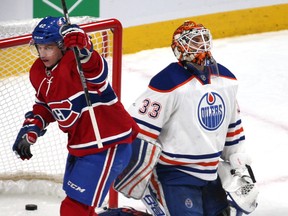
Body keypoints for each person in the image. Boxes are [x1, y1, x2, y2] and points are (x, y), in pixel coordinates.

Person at [125, 20, 258, 215]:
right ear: (179, 48)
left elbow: (232, 126)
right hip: (175, 174)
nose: (201, 46)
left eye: (203, 40)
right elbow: (141, 130)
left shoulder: (227, 80)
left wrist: (236, 158)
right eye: (194, 41)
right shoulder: (168, 82)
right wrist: (136, 173)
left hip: (211, 173)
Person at [12, 16, 139, 216]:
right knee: (81, 209)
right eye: (40, 47)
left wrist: (85, 48)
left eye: (49, 47)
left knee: (74, 209)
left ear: (63, 47)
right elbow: (45, 105)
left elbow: (97, 72)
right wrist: (32, 129)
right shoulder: (38, 71)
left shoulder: (77, 63)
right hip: (81, 145)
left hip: (107, 143)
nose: (42, 53)